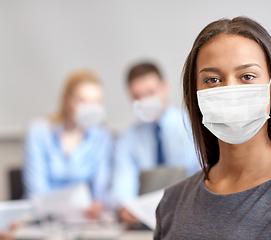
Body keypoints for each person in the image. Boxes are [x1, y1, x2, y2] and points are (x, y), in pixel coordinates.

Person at [154, 17, 271, 239]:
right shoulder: (173, 203)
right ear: (195, 95)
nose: (229, 91)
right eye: (212, 80)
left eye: (247, 76)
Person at [109, 62, 200, 227]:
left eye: (151, 93)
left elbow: (204, 173)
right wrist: (124, 207)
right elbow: (123, 179)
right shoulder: (127, 138)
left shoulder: (194, 126)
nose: (145, 101)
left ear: (165, 87)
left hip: (190, 217)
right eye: (137, 97)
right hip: (144, 223)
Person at [23, 69, 113, 218]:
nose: (90, 109)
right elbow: (36, 191)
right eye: (83, 101)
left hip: (85, 221)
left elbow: (100, 191)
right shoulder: (38, 132)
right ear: (66, 100)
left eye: (96, 102)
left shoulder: (102, 136)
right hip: (42, 219)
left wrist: (97, 206)